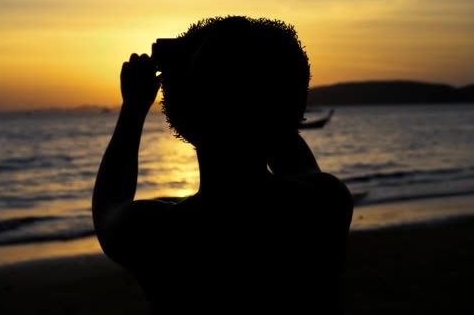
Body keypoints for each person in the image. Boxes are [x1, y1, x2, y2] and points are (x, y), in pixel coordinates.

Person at [92, 16, 353, 314]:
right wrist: (258, 74)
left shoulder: (161, 235)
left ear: (184, 117)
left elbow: (108, 206)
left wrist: (134, 108)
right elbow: (281, 134)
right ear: (292, 106)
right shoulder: (325, 204)